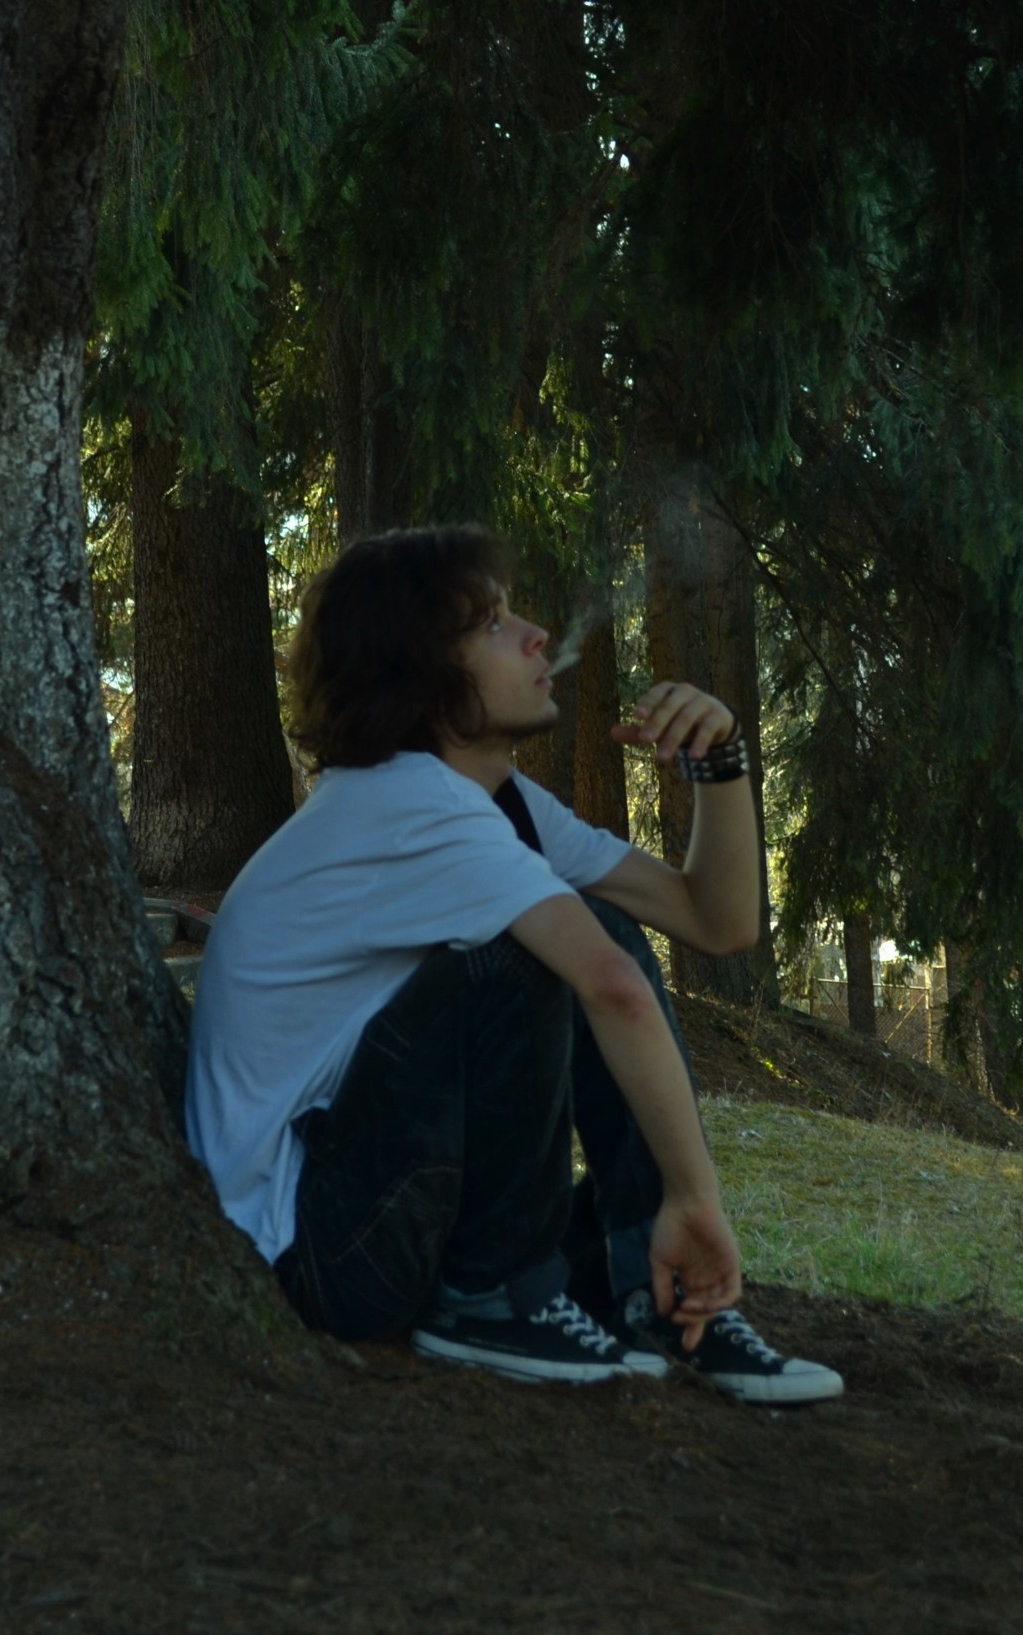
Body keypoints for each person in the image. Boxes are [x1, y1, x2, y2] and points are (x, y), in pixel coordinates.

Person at [183, 525, 841, 1403]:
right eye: (491, 624)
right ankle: (495, 1297)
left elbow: (714, 922)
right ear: (420, 676)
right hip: (314, 1249)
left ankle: (657, 1294)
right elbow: (613, 988)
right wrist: (697, 1198)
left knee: (595, 922)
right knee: (537, 949)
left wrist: (720, 762)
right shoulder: (407, 802)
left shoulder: (496, 804)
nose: (536, 635)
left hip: (372, 1215)